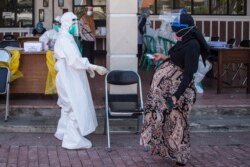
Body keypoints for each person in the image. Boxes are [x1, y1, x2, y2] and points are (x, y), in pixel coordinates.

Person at [140, 13, 210, 166]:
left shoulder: (192, 45)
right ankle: (162, 149)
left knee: (178, 123)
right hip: (167, 92)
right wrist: (164, 57)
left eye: (176, 31)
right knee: (163, 120)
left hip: (179, 92)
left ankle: (181, 157)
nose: (174, 34)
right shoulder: (184, 41)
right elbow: (177, 57)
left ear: (186, 29)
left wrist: (176, 95)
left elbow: (188, 74)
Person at [53, 12, 108, 149]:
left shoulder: (66, 37)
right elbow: (74, 60)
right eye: (74, 24)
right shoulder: (65, 39)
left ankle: (63, 132)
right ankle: (72, 140)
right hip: (69, 77)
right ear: (68, 24)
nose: (76, 26)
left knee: (68, 106)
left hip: (68, 75)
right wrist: (93, 66)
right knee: (75, 105)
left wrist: (88, 68)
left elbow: (73, 59)